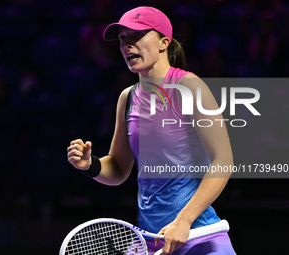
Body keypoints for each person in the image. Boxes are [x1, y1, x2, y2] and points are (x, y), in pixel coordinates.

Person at [67, 6, 236, 255]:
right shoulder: (127, 98)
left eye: (136, 36)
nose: (127, 45)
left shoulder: (188, 86)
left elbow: (224, 161)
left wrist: (185, 220)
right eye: (123, 39)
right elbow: (118, 168)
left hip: (200, 238)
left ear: (163, 42)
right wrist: (89, 165)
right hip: (153, 241)